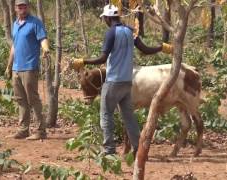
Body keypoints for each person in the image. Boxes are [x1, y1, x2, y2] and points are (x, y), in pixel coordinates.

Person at [73, 4, 173, 155]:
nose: (105, 21)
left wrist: (83, 61)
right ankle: (138, 148)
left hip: (113, 81)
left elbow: (103, 58)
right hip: (127, 82)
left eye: (105, 18)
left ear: (107, 18)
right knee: (129, 117)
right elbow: (145, 50)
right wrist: (161, 47)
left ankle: (109, 149)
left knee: (106, 114)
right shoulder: (130, 31)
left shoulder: (111, 33)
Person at [5, 0, 50, 140]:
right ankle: (23, 129)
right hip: (16, 68)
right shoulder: (15, 24)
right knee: (20, 100)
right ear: (15, 8)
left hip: (30, 67)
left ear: (28, 7)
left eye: (24, 6)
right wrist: (8, 66)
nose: (22, 8)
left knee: (33, 99)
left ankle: (40, 131)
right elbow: (14, 47)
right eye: (20, 6)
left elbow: (42, 38)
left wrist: (46, 49)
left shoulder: (35, 23)